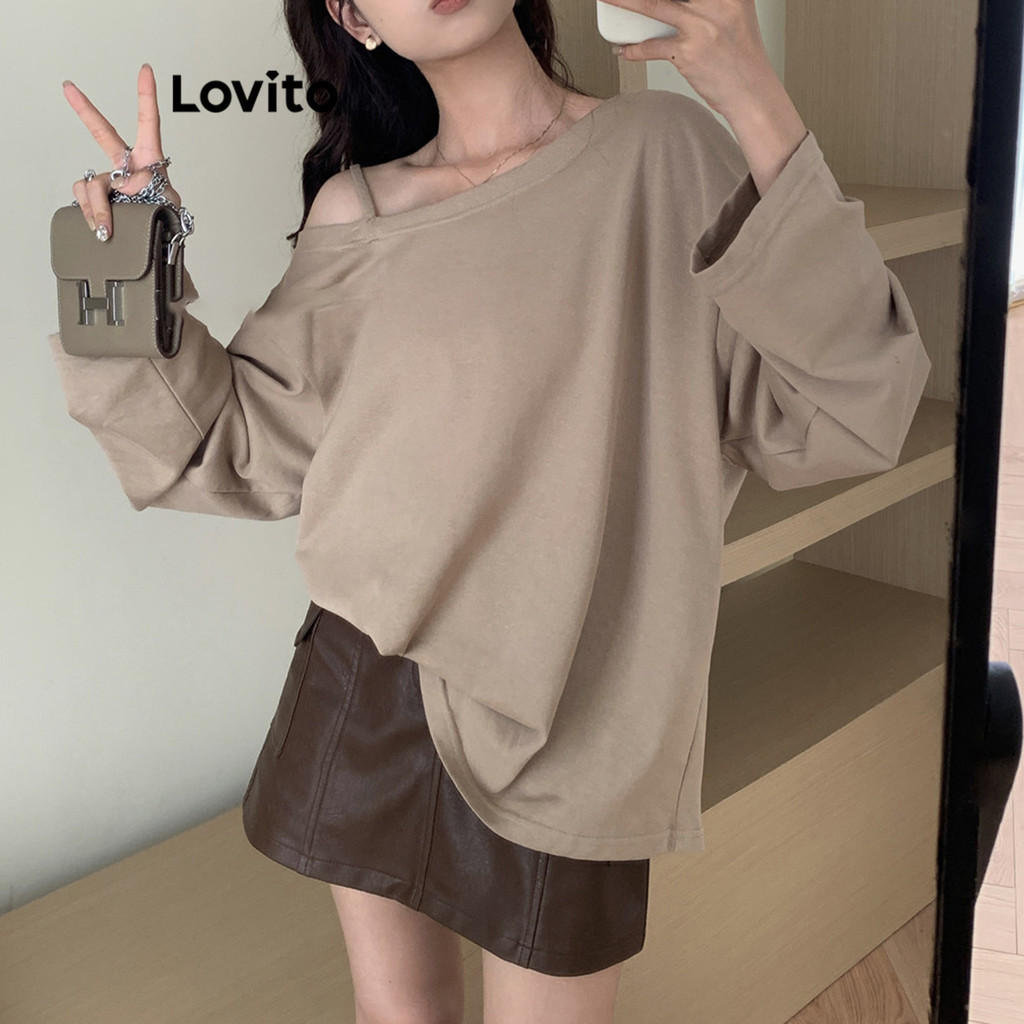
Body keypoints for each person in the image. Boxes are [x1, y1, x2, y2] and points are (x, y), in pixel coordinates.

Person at [51, 0, 933, 1020]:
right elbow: (230, 446)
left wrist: (754, 95)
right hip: (370, 678)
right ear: (355, 18)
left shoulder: (663, 149)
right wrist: (129, 253)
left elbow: (857, 406)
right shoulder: (356, 209)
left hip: (579, 709)